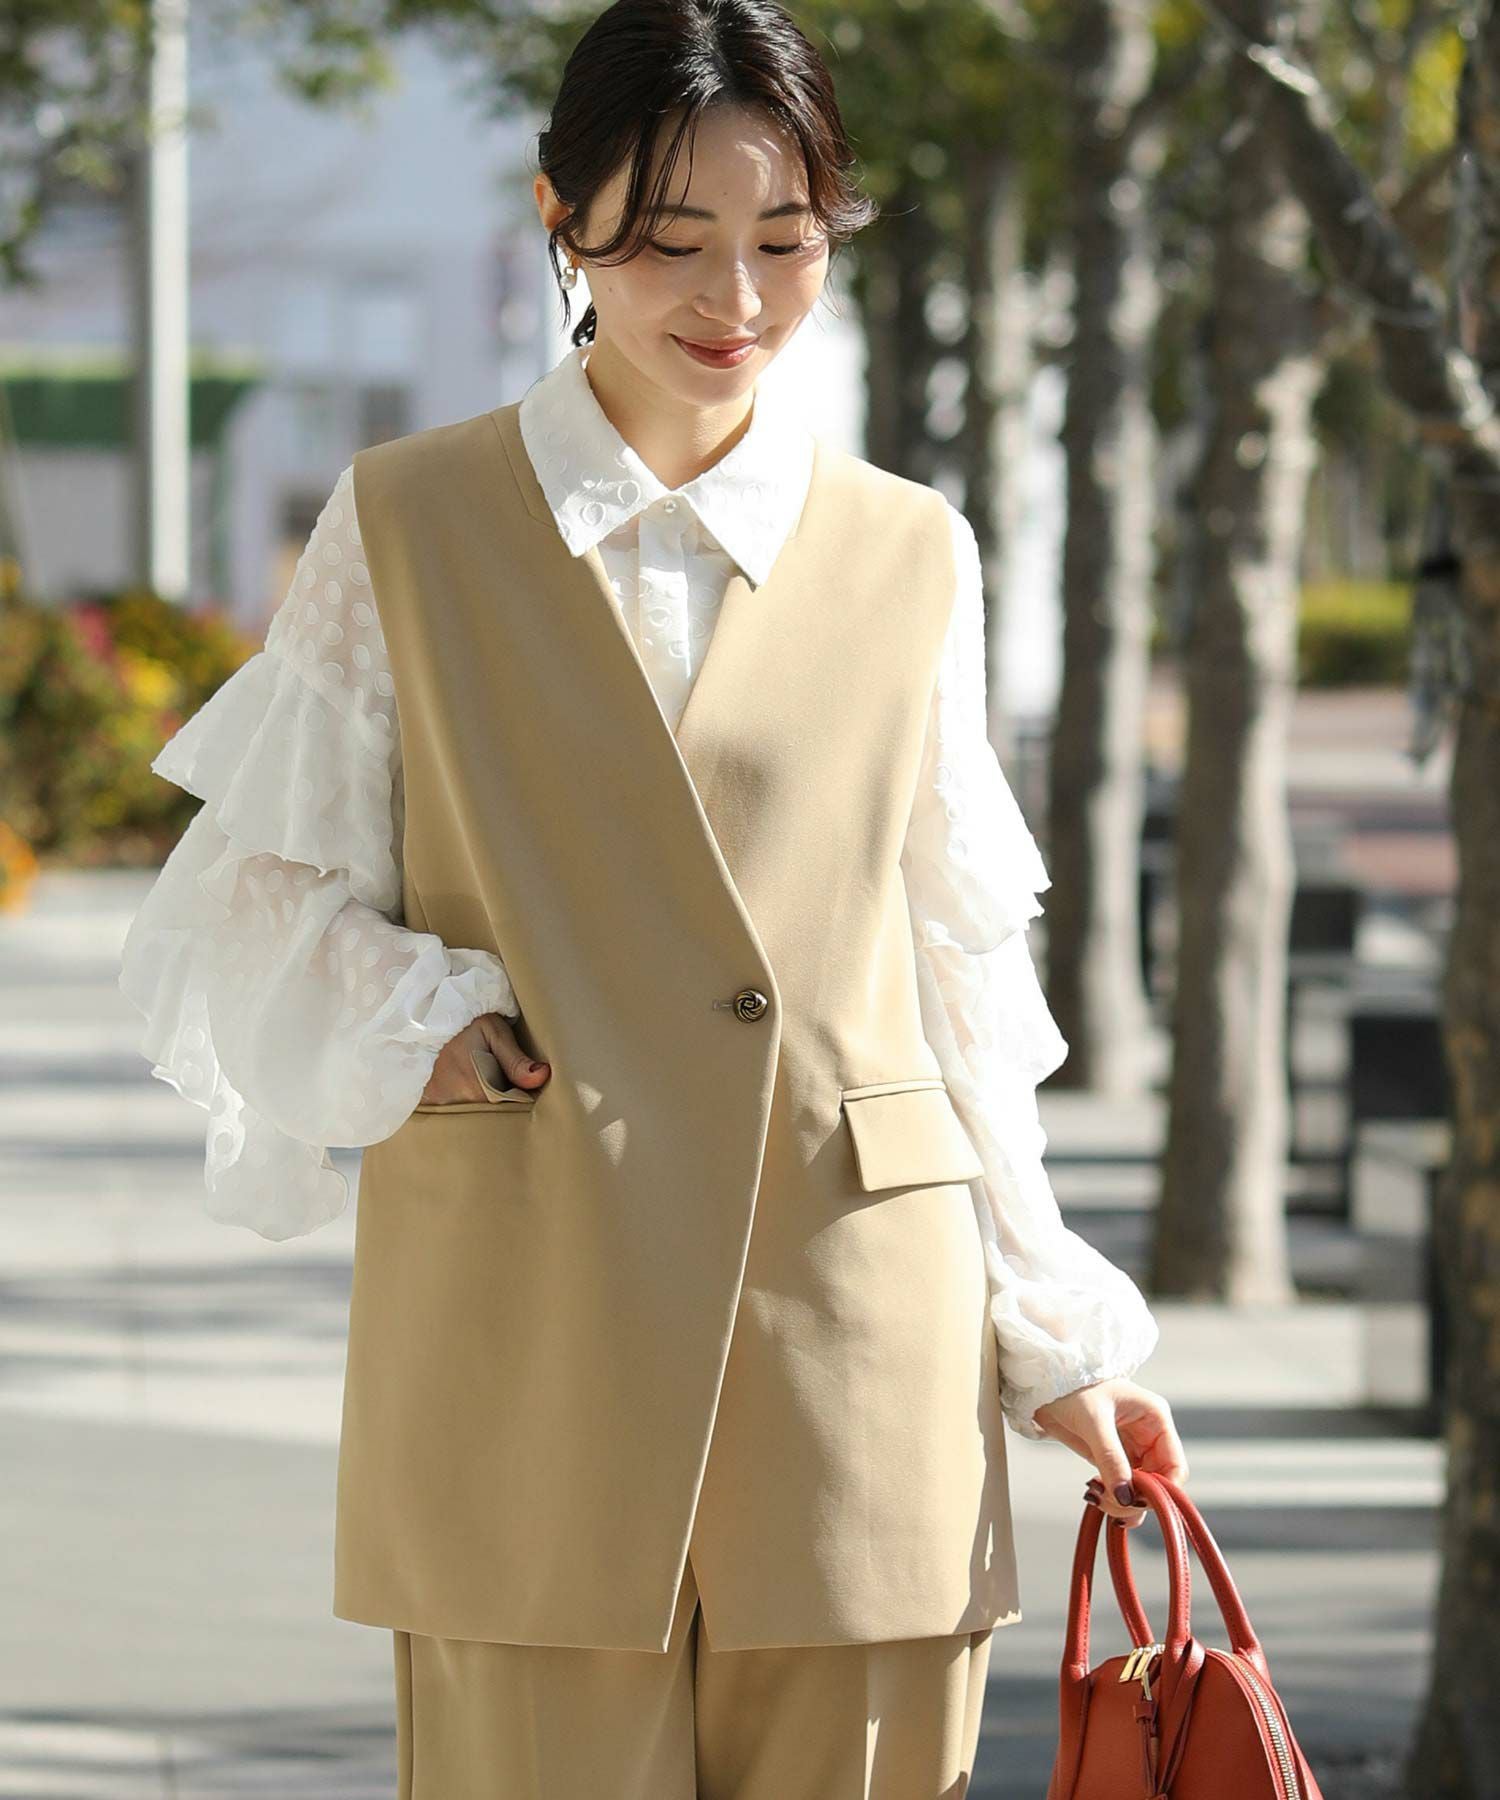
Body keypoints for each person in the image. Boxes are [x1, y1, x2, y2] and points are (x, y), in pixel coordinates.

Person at [119, 1, 1189, 1793]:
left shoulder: (912, 550)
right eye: (672, 241)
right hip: (527, 1325)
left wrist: (1049, 1328)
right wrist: (420, 1022)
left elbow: (954, 965)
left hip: (858, 1344)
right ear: (562, 217)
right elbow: (250, 895)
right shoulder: (407, 524)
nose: (734, 299)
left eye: (786, 241)